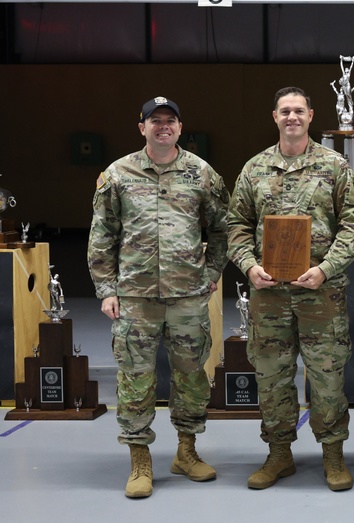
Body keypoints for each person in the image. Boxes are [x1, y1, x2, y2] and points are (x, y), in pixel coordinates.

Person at [88, 96, 229, 499]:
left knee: (191, 376)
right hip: (135, 296)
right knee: (136, 379)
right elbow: (102, 236)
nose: (163, 126)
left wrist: (213, 270)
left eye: (170, 121)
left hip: (188, 296)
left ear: (180, 128)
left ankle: (187, 451)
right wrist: (106, 288)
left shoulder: (201, 173)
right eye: (155, 121)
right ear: (142, 127)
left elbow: (221, 228)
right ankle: (139, 460)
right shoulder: (118, 174)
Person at [227, 86, 354, 492]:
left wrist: (326, 269)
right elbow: (235, 226)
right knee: (271, 377)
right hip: (268, 296)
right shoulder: (254, 170)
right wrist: (249, 266)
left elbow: (353, 225)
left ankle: (333, 454)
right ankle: (279, 453)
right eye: (285, 111)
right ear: (274, 117)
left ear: (310, 116)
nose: (292, 117)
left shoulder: (335, 166)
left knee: (326, 376)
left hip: (320, 294)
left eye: (298, 111)